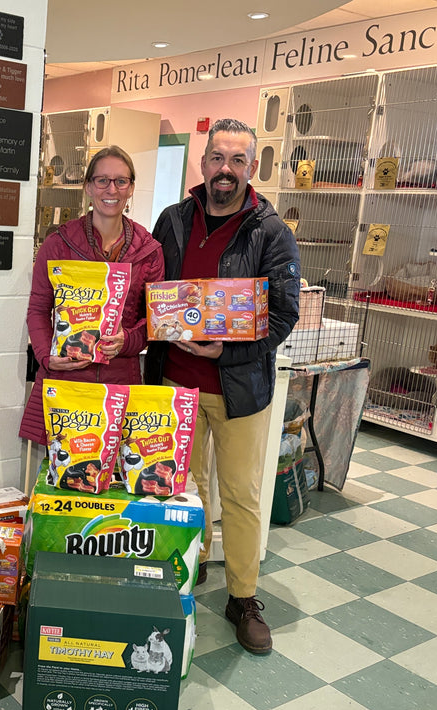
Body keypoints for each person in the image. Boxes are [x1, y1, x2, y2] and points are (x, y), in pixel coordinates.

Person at [144, 118, 301, 655]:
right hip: (173, 382)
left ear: (251, 169)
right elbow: (151, 286)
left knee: (239, 494)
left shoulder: (270, 231)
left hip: (239, 387)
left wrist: (227, 350)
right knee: (181, 487)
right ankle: (192, 564)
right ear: (203, 164)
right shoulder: (173, 219)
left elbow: (284, 314)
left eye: (237, 160)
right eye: (217, 158)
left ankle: (243, 596)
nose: (226, 170)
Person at [19, 145, 164, 446]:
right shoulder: (59, 244)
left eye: (121, 181)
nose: (111, 189)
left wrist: (129, 341)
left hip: (120, 379)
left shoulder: (149, 250)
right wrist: (47, 357)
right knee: (61, 477)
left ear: (131, 188)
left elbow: (154, 320)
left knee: (112, 484)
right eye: (102, 180)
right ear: (88, 187)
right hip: (67, 378)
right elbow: (37, 309)